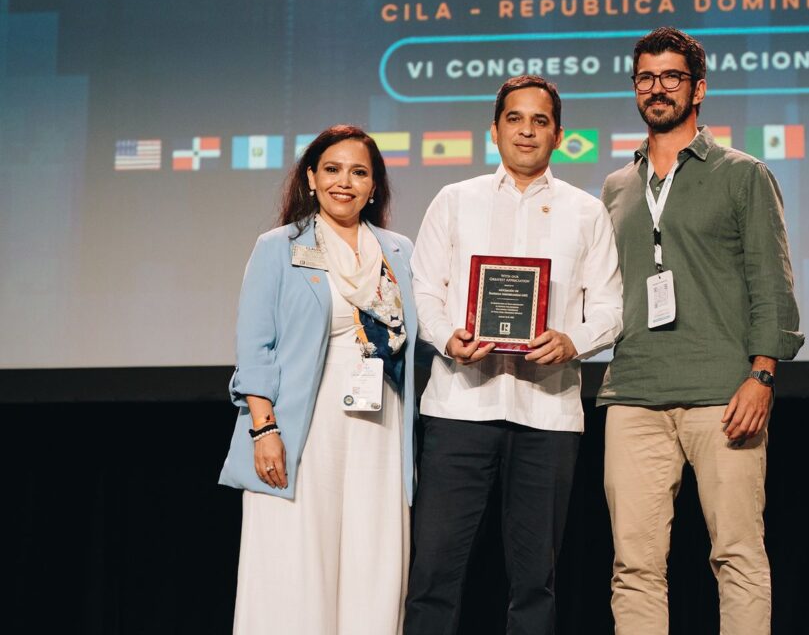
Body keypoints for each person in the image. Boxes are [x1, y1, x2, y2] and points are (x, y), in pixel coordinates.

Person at [598, 27, 804, 635]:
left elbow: (772, 282)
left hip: (723, 393)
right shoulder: (617, 186)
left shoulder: (743, 174)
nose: (657, 88)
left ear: (699, 89)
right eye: (645, 78)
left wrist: (762, 376)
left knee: (737, 556)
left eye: (672, 77)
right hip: (634, 392)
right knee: (634, 566)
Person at [404, 75, 623, 635]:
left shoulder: (586, 211)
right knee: (432, 575)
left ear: (559, 135)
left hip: (547, 416)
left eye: (540, 120)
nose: (527, 131)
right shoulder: (455, 201)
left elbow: (610, 308)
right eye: (515, 119)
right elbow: (423, 290)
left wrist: (573, 341)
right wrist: (447, 337)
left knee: (534, 584)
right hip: (459, 409)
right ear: (495, 129)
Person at [219, 125, 420, 635]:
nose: (344, 182)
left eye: (359, 172)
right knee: (295, 561)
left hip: (380, 425)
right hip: (301, 429)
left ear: (374, 185)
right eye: (332, 169)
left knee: (373, 562)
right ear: (311, 178)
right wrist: (264, 430)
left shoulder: (398, 251)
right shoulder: (278, 246)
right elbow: (255, 347)